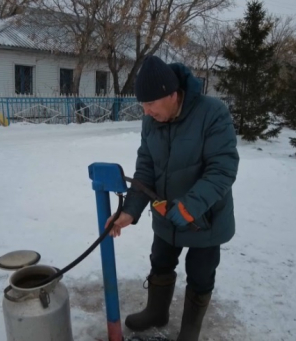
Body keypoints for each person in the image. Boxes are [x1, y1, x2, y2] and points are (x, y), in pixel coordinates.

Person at [105, 55, 239, 341]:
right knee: (161, 262)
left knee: (201, 275)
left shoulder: (212, 113)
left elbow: (223, 168)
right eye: (143, 104)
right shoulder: (150, 122)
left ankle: (190, 331)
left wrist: (191, 205)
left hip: (205, 218)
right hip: (165, 214)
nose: (146, 110)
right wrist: (129, 211)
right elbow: (145, 169)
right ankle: (157, 312)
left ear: (172, 95)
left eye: (151, 103)